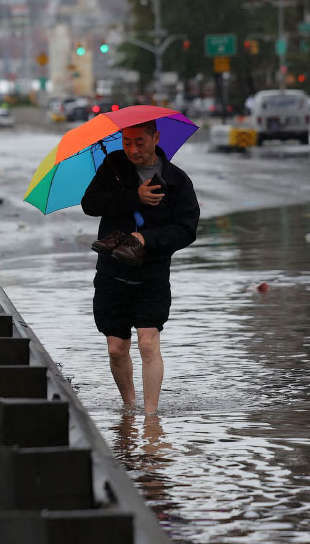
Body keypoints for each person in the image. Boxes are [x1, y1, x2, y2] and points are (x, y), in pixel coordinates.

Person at [80, 119, 199, 416]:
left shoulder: (177, 180)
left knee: (148, 343)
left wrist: (147, 238)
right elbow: (90, 204)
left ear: (156, 138)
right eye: (126, 142)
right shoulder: (113, 166)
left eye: (140, 142)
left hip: (152, 277)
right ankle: (129, 406)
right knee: (116, 349)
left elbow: (187, 230)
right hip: (112, 274)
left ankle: (150, 417)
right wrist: (135, 196)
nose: (132, 149)